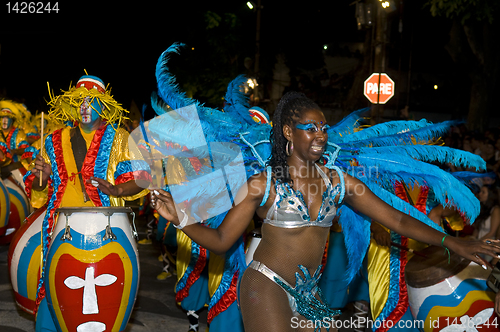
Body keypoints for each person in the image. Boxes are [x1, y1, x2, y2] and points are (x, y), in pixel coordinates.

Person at [151, 91, 500, 331]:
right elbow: (222, 239)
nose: (320, 134)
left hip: (309, 292)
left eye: (323, 128)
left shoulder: (340, 182)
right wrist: (179, 217)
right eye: (310, 128)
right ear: (288, 131)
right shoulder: (263, 183)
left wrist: (452, 243)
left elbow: (395, 218)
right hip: (266, 285)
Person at [24, 75, 150, 332]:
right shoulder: (52, 140)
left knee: (106, 298)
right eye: (79, 101)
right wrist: (41, 178)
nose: (84, 107)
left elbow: (142, 179)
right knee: (57, 290)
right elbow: (36, 190)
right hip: (60, 225)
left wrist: (117, 188)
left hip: (107, 227)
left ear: (103, 106)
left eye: (90, 102)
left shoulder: (121, 138)